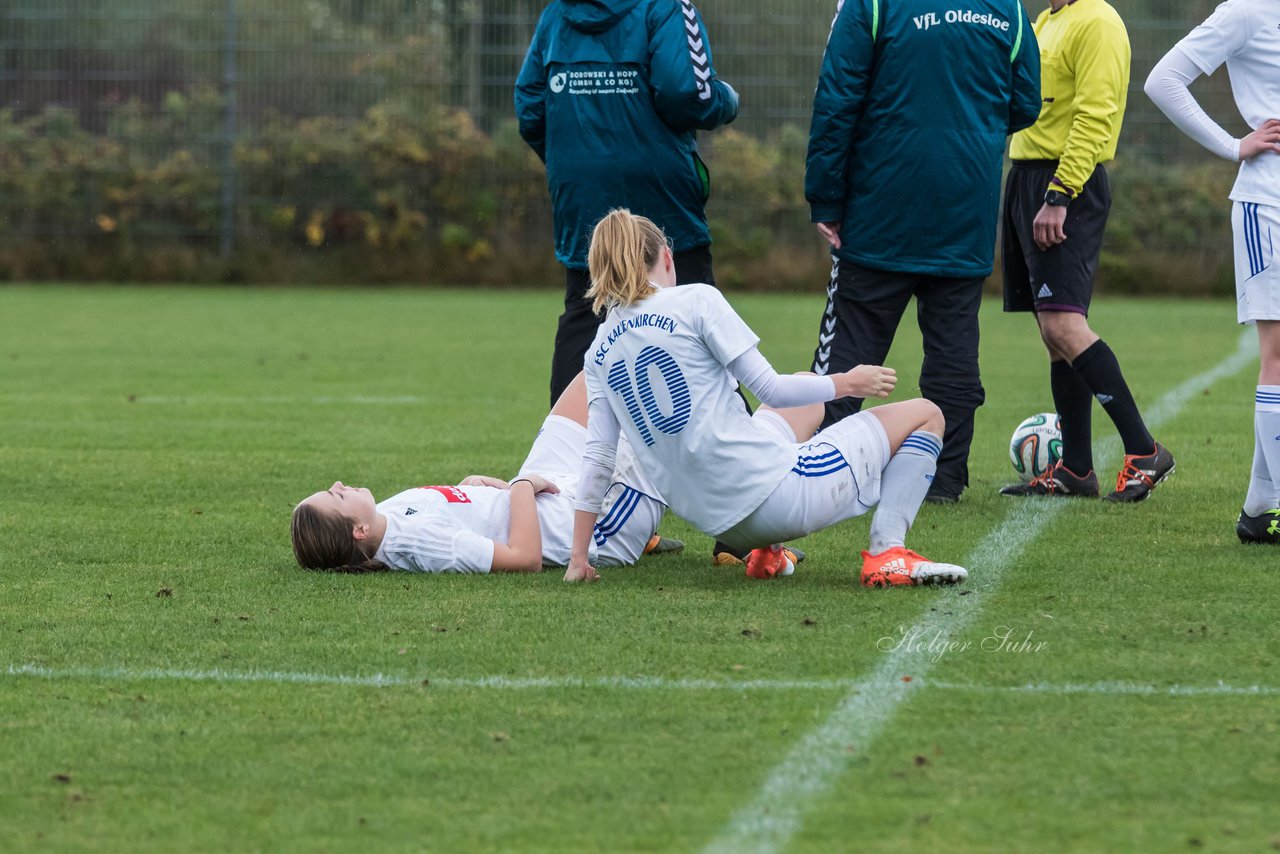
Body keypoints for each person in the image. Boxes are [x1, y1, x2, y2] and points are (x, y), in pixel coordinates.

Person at [564, 209, 969, 588]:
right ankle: (887, 552)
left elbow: (598, 457)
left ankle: (766, 553)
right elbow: (769, 388)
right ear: (667, 257)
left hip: (716, 522)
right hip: (771, 499)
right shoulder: (695, 300)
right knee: (927, 414)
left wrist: (578, 558)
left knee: (804, 388)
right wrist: (847, 382)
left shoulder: (598, 351)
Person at [805, 0, 1042, 504]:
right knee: (954, 352)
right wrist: (966, 132)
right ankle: (943, 477)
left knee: (850, 345)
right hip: (963, 208)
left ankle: (826, 470)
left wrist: (825, 196)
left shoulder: (872, 6)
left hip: (879, 210)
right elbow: (1024, 101)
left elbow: (837, 99)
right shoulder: (1010, 10)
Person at [514, 0, 739, 408]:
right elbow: (688, 93)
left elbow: (530, 109)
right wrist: (727, 99)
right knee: (693, 310)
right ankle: (736, 445)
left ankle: (565, 451)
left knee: (585, 315)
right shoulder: (665, 7)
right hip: (658, 190)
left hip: (582, 192)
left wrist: (576, 161)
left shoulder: (557, 14)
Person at [999, 0, 1175, 502]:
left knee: (1064, 324)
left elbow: (1096, 115)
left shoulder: (1098, 20)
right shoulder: (1045, 21)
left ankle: (1144, 451)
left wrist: (1059, 194)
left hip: (1062, 184)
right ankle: (1076, 469)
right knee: (1052, 332)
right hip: (1027, 179)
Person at [290, 374, 674, 574]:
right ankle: (733, 535)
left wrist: (492, 489)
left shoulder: (383, 516)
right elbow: (524, 559)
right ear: (358, 531)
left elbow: (479, 518)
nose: (338, 484)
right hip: (591, 524)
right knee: (664, 412)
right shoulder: (423, 545)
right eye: (336, 496)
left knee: (597, 371)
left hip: (545, 491)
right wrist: (521, 488)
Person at [1144, 1, 1280, 541]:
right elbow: (1164, 80)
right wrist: (1233, 146)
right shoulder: (1248, 10)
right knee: (1278, 354)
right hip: (1267, 203)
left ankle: (1259, 510)